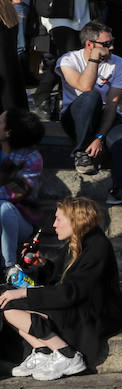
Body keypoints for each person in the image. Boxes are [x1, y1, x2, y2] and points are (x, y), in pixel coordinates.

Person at [0, 197, 121, 382]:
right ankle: (43, 351)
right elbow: (60, 280)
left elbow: (71, 292)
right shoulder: (77, 243)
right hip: (75, 305)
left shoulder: (97, 247)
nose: (54, 225)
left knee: (11, 307)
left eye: (58, 219)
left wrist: (24, 292)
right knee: (6, 302)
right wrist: (43, 264)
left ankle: (67, 354)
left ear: (76, 220)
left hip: (90, 314)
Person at [57, 21, 122, 205]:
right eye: (107, 44)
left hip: (104, 115)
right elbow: (84, 87)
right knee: (91, 96)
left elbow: (112, 105)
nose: (112, 47)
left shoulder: (120, 63)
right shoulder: (68, 60)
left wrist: (99, 137)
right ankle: (81, 153)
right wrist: (94, 60)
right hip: (75, 115)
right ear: (89, 45)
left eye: (112, 42)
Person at [0, 110, 41, 274]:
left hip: (20, 222)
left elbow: (14, 194)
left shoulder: (32, 158)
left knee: (4, 208)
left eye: (0, 121)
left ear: (8, 132)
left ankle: (8, 267)